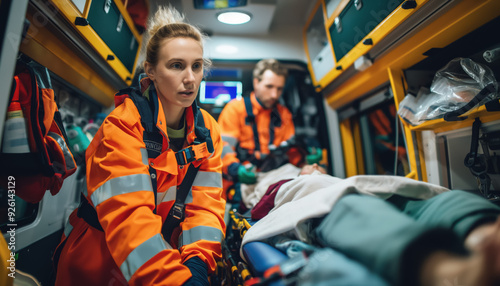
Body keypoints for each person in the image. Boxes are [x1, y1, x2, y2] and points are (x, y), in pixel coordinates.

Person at [54, 6, 225, 286]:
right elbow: (128, 216)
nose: (190, 78)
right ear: (151, 71)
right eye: (176, 65)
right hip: (97, 264)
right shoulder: (122, 125)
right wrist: (175, 280)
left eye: (196, 66)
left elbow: (205, 206)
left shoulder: (207, 132)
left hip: (162, 262)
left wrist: (196, 263)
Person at [241, 170, 500, 286]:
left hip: (351, 184)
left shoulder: (285, 117)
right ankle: (441, 272)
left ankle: (480, 235)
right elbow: (258, 209)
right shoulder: (275, 179)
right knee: (344, 205)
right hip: (314, 191)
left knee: (438, 199)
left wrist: (315, 171)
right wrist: (301, 176)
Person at [217, 59, 300, 195]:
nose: (274, 95)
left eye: (279, 89)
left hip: (273, 179)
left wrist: (304, 161)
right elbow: (222, 147)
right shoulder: (235, 109)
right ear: (256, 82)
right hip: (239, 181)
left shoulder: (284, 114)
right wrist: (235, 168)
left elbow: (290, 151)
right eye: (269, 87)